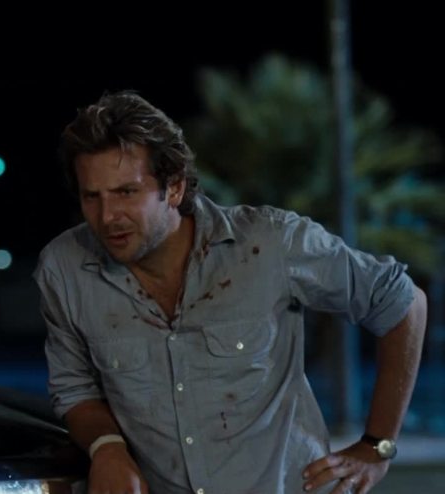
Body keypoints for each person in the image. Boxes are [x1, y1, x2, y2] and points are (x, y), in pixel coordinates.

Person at [34, 90, 427, 494]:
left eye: (126, 192)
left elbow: (403, 303)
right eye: (92, 196)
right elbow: (74, 388)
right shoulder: (65, 268)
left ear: (174, 187)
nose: (107, 217)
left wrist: (377, 446)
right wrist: (107, 448)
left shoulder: (269, 242)